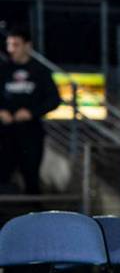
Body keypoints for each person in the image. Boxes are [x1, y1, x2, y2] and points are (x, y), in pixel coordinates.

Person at [0, 25, 61, 195]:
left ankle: (33, 217)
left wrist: (31, 113)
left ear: (28, 46)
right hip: (5, 133)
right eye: (8, 45)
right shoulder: (3, 70)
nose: (11, 49)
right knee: (3, 175)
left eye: (16, 45)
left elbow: (54, 100)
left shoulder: (40, 71)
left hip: (30, 133)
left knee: (31, 177)